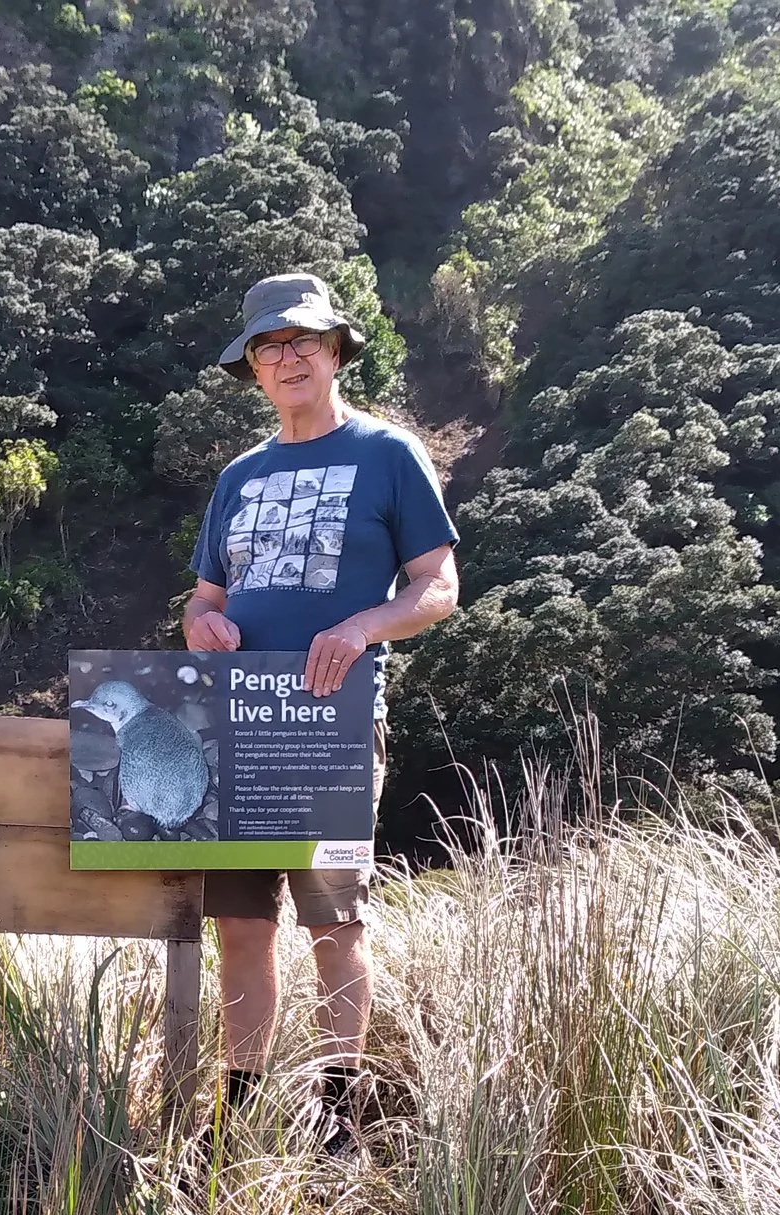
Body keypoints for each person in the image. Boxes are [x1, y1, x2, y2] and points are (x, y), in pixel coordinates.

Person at [182, 273, 461, 1150]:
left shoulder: (388, 453)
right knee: (239, 927)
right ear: (253, 370)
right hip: (235, 727)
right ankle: (240, 1115)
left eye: (304, 340)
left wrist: (362, 625)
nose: (288, 356)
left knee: (335, 924)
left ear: (336, 350)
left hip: (331, 732)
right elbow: (200, 602)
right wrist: (205, 626)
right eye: (270, 346)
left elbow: (439, 586)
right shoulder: (239, 475)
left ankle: (336, 1115)